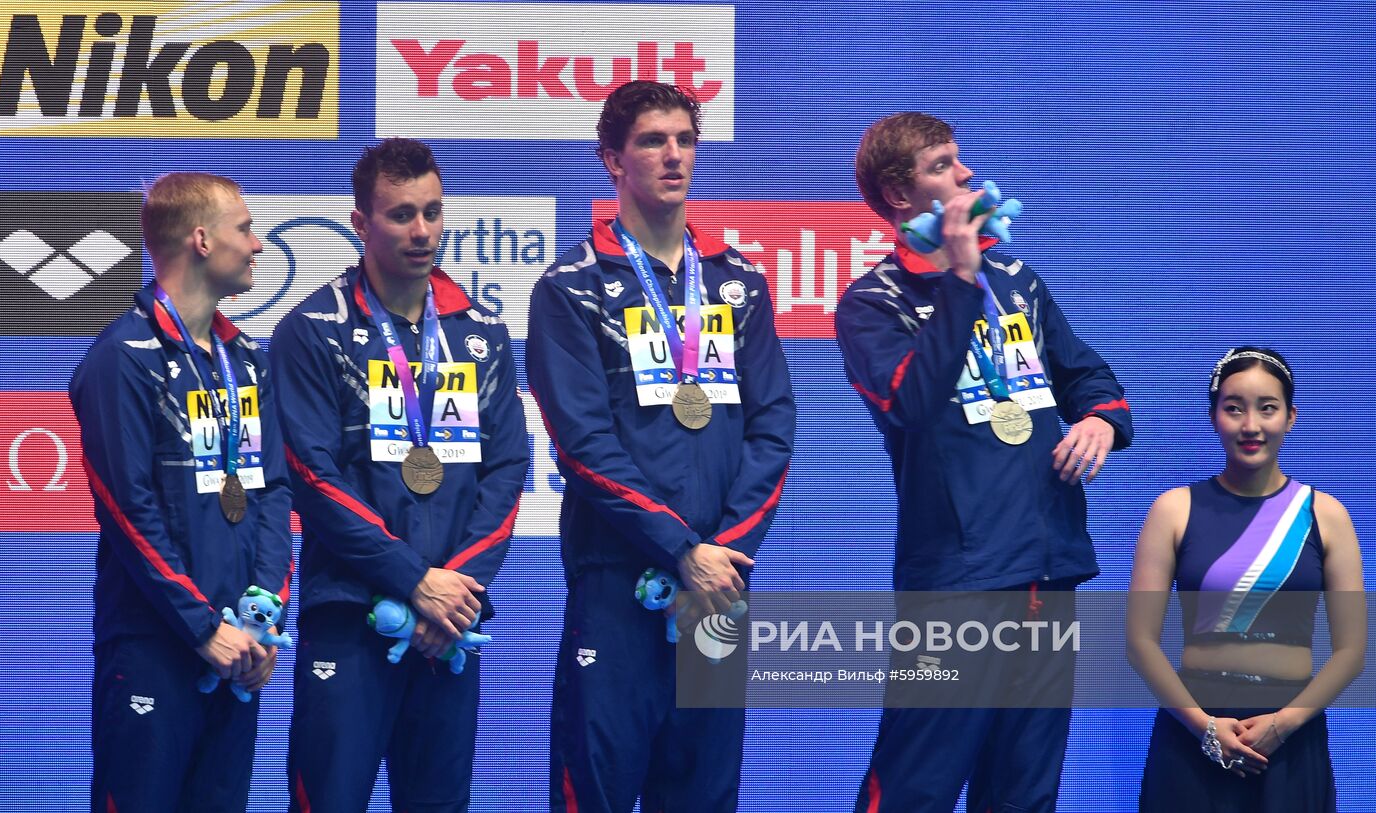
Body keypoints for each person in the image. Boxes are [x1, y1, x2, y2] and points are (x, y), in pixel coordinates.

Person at [835, 112, 1134, 812]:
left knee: (1025, 793)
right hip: (958, 582)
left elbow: (1090, 377)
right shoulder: (871, 304)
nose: (966, 174)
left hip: (1046, 570)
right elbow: (911, 399)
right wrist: (961, 283)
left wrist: (1097, 420)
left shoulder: (1016, 279)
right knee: (914, 785)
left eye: (959, 160)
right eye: (942, 164)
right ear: (898, 193)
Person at [527, 80, 795, 813]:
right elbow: (582, 445)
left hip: (718, 588)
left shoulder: (737, 283)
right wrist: (681, 547)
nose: (673, 155)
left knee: (705, 795)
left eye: (684, 139)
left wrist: (723, 552)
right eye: (651, 140)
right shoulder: (571, 288)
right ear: (610, 158)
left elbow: (774, 426)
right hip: (617, 582)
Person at [271, 138, 529, 812]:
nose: (422, 231)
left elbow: (506, 469)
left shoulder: (481, 332)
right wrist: (415, 580)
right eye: (401, 215)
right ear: (360, 224)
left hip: (452, 622)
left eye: (433, 212)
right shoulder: (312, 330)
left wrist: (456, 589)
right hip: (351, 618)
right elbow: (313, 476)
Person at [70, 172, 292, 812]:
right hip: (155, 647)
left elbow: (271, 490)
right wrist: (202, 629)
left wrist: (260, 621)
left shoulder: (245, 358)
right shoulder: (121, 358)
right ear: (201, 239)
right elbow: (126, 510)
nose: (256, 246)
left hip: (238, 648)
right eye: (244, 229)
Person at [1128, 347, 1365, 812]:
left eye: (1267, 408)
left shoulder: (1327, 515)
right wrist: (1204, 727)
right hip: (1192, 734)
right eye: (1234, 408)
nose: (1251, 425)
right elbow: (1139, 642)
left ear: (1291, 418)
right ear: (1214, 416)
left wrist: (1284, 724)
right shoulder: (1172, 510)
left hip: (1292, 738)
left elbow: (1353, 651)